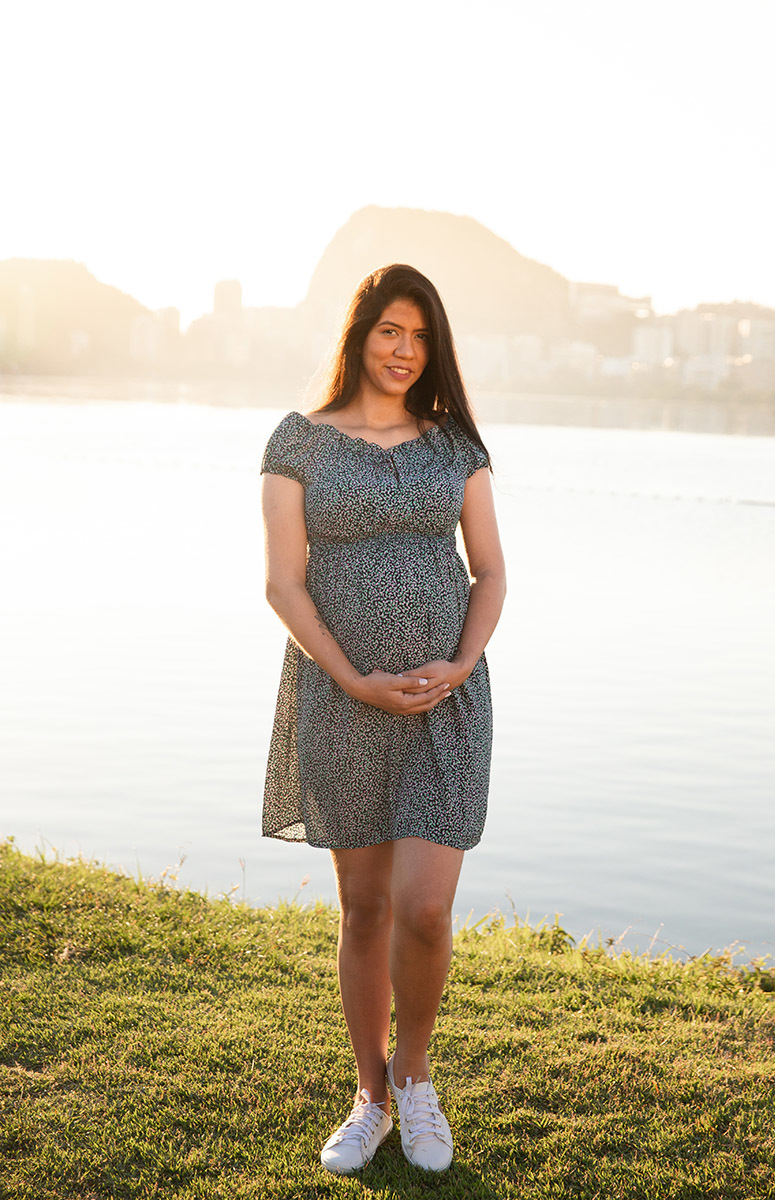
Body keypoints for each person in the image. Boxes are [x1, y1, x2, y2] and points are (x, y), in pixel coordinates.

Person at [259, 263, 505, 1174]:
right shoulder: (299, 442)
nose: (405, 351)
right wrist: (356, 680)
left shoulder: (455, 446)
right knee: (363, 909)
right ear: (360, 333)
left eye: (421, 337)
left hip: (447, 702)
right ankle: (369, 1096)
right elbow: (284, 583)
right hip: (339, 698)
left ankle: (415, 1075)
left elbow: (490, 573)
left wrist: (460, 664)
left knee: (426, 910)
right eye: (390, 331)